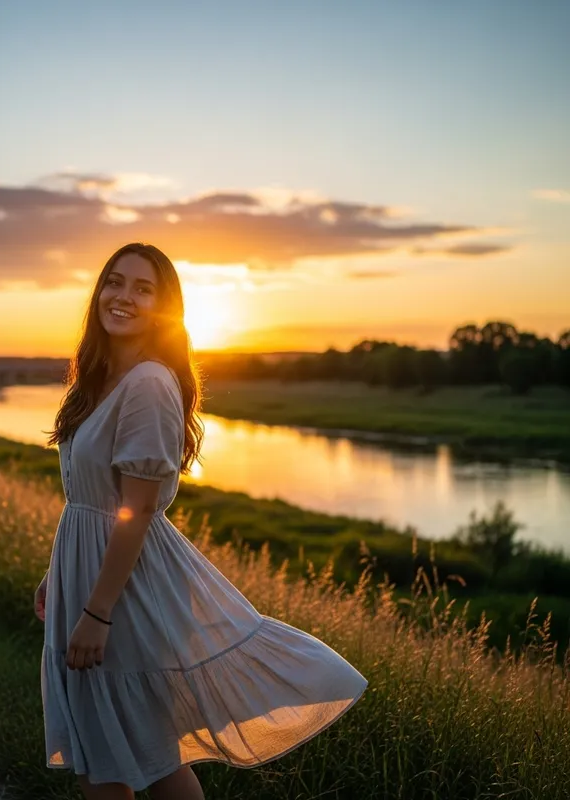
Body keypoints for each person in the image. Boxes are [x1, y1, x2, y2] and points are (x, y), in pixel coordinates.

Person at [35, 242, 368, 799]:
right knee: (130, 750)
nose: (124, 296)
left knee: (123, 753)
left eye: (144, 289)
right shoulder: (96, 382)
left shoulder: (147, 383)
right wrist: (60, 574)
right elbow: (88, 497)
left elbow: (137, 508)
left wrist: (97, 610)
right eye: (115, 282)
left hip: (126, 592)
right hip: (92, 575)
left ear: (166, 310)